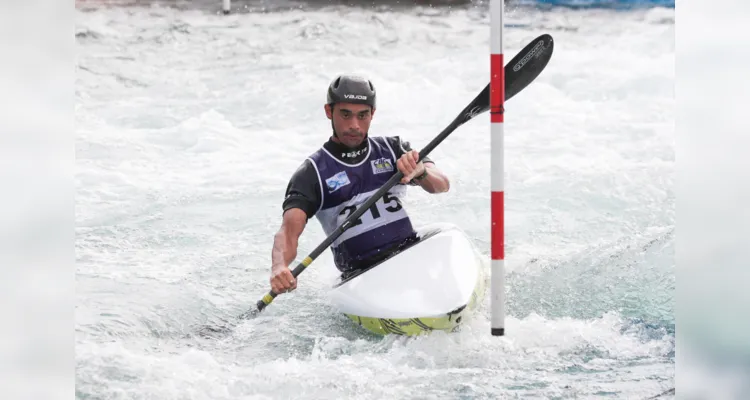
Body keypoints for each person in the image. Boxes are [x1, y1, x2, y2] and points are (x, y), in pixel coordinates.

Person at [270, 75, 451, 294]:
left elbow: (442, 184)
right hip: (361, 276)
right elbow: (288, 232)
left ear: (372, 114)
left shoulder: (393, 149)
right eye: (345, 114)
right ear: (329, 112)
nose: (354, 125)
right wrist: (280, 267)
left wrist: (421, 172)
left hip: (409, 254)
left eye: (362, 115)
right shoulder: (312, 174)